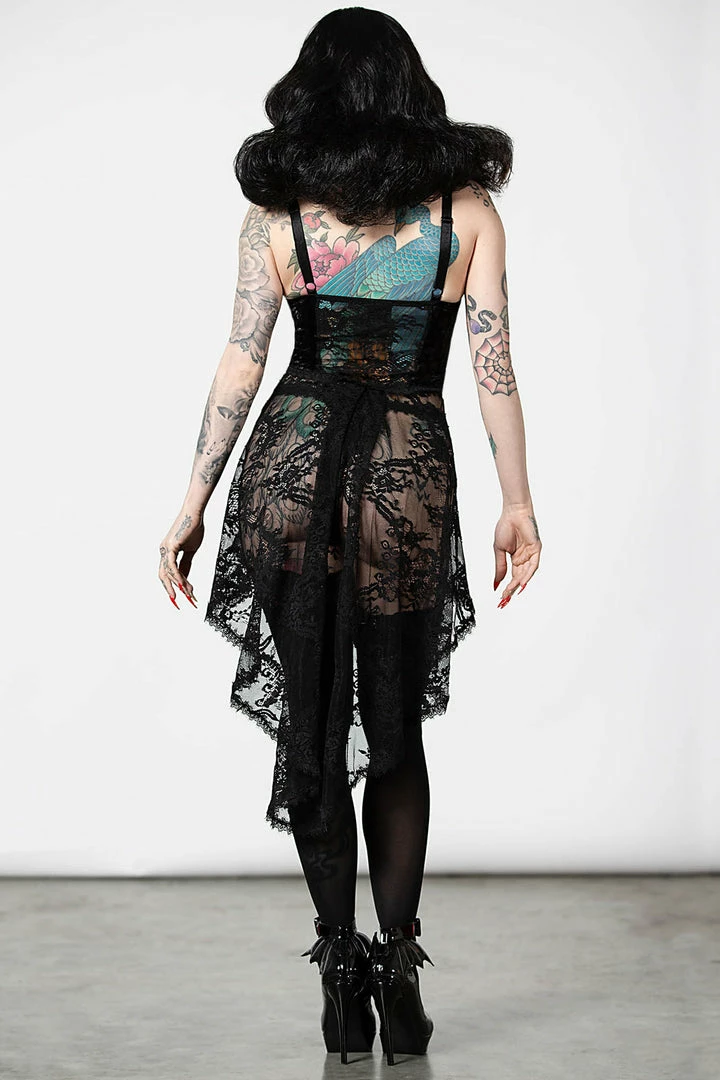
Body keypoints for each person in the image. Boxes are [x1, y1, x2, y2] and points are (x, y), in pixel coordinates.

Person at [158, 6, 541, 1067]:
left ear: (311, 92)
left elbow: (243, 360)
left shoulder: (277, 218)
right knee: (396, 732)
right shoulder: (467, 215)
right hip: (404, 475)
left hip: (291, 464)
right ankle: (400, 976)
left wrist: (192, 501)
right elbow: (494, 371)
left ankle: (339, 983)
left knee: (312, 726)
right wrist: (517, 503)